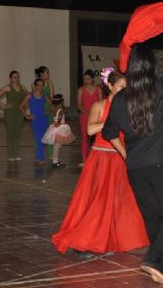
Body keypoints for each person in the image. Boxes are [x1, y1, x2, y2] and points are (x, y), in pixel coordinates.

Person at [102, 11, 163, 284]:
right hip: (160, 164)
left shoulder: (119, 100)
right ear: (151, 67)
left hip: (136, 168)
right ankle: (153, 258)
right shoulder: (161, 89)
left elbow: (109, 133)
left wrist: (126, 155)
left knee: (153, 218)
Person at [52, 69, 148, 257]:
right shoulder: (99, 106)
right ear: (110, 85)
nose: (124, 90)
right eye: (120, 86)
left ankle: (110, 239)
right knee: (97, 202)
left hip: (119, 158)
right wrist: (112, 120)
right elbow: (90, 130)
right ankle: (82, 242)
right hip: (101, 158)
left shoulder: (129, 106)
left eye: (126, 87)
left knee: (118, 202)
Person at [0, 71, 28, 161]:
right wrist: (4, 106)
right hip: (10, 113)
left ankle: (16, 154)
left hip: (20, 113)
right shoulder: (7, 87)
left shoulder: (23, 88)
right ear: (11, 78)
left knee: (17, 133)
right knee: (10, 132)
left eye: (18, 77)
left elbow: (27, 98)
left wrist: (25, 107)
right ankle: (11, 155)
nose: (16, 79)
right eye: (14, 77)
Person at [77, 69, 103, 167]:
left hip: (96, 117)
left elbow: (101, 104)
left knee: (95, 138)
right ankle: (84, 159)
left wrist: (97, 116)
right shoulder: (81, 90)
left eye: (88, 79)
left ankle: (94, 159)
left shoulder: (98, 90)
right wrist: (88, 114)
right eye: (84, 79)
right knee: (85, 137)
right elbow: (79, 105)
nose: (86, 81)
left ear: (92, 79)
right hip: (84, 116)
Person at [22, 79, 50, 164]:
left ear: (43, 86)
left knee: (43, 139)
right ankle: (41, 158)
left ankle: (38, 157)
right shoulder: (30, 95)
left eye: (42, 85)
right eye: (38, 85)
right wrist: (27, 116)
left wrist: (48, 111)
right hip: (35, 120)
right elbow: (21, 106)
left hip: (44, 119)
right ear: (35, 86)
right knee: (38, 138)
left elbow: (52, 105)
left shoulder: (44, 96)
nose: (40, 87)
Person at [35, 66, 55, 160]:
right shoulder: (35, 84)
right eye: (47, 72)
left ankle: (51, 154)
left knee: (50, 132)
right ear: (41, 74)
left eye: (48, 72)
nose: (48, 74)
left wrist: (51, 109)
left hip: (48, 110)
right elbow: (35, 98)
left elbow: (52, 98)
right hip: (40, 110)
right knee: (39, 133)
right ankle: (39, 154)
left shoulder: (49, 83)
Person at [47, 94, 70, 167]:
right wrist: (61, 123)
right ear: (61, 101)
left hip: (56, 129)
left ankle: (55, 161)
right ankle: (55, 162)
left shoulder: (54, 108)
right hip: (59, 129)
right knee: (57, 146)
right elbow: (59, 121)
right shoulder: (60, 110)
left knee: (56, 146)